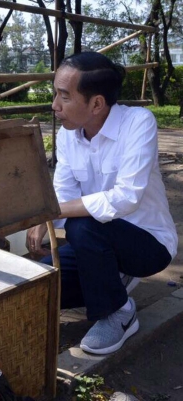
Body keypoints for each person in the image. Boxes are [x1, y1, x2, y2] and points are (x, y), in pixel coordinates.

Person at [27, 52, 177, 355]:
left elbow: (126, 197)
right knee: (36, 288)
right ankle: (110, 279)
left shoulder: (138, 122)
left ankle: (119, 313)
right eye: (56, 93)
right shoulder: (68, 136)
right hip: (94, 245)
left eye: (64, 96)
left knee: (82, 223)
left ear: (96, 103)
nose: (55, 105)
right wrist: (40, 222)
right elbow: (64, 193)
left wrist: (48, 213)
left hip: (147, 243)